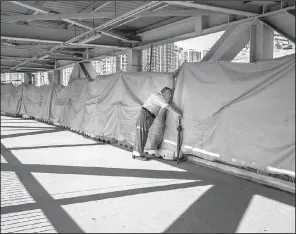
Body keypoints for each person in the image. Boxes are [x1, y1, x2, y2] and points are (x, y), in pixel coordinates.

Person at [132, 87, 182, 161]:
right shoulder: (158, 97)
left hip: (148, 117)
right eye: (169, 94)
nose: (170, 97)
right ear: (165, 93)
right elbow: (168, 106)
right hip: (145, 115)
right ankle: (138, 154)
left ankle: (136, 152)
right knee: (141, 135)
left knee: (143, 135)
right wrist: (177, 113)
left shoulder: (158, 97)